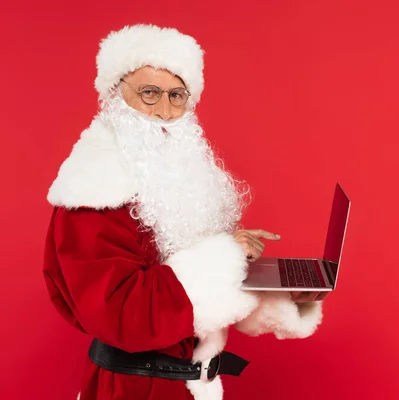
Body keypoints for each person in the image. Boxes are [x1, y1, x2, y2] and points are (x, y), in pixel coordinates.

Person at [42, 24, 323, 400]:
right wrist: (226, 256)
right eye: (149, 93)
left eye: (177, 96)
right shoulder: (93, 195)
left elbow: (198, 296)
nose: (164, 111)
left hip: (192, 385)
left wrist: (281, 297)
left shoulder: (181, 179)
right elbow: (125, 314)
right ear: (114, 95)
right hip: (134, 390)